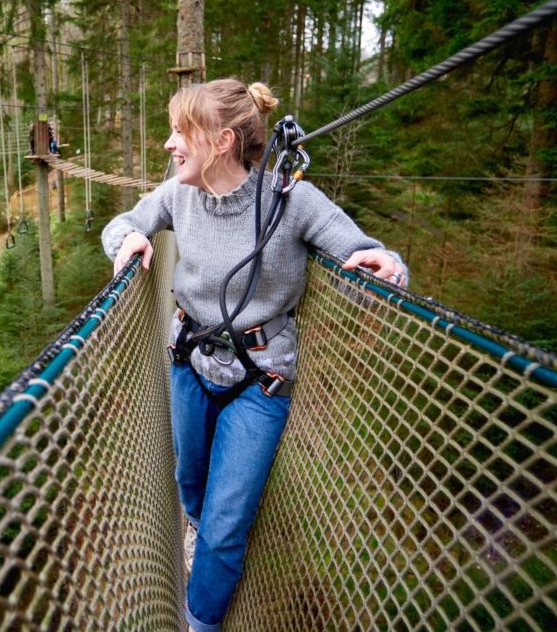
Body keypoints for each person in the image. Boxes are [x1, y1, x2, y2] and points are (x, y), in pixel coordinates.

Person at [101, 78, 407, 632]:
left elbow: (363, 251)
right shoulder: (177, 194)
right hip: (189, 361)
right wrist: (128, 241)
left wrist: (386, 265)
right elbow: (124, 224)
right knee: (188, 480)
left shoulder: (293, 202)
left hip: (261, 380)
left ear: (220, 142)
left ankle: (200, 620)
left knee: (225, 525)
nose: (169, 145)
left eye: (179, 132)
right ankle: (196, 535)